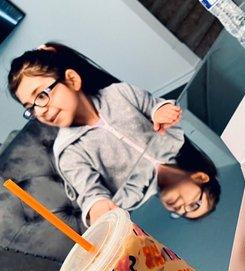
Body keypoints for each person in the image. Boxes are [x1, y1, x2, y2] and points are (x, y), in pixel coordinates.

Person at [7, 42, 220, 226]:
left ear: (71, 80)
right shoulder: (68, 153)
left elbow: (153, 106)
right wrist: (97, 207)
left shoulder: (120, 93)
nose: (40, 110)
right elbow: (90, 192)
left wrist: (159, 111)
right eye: (31, 108)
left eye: (42, 95)